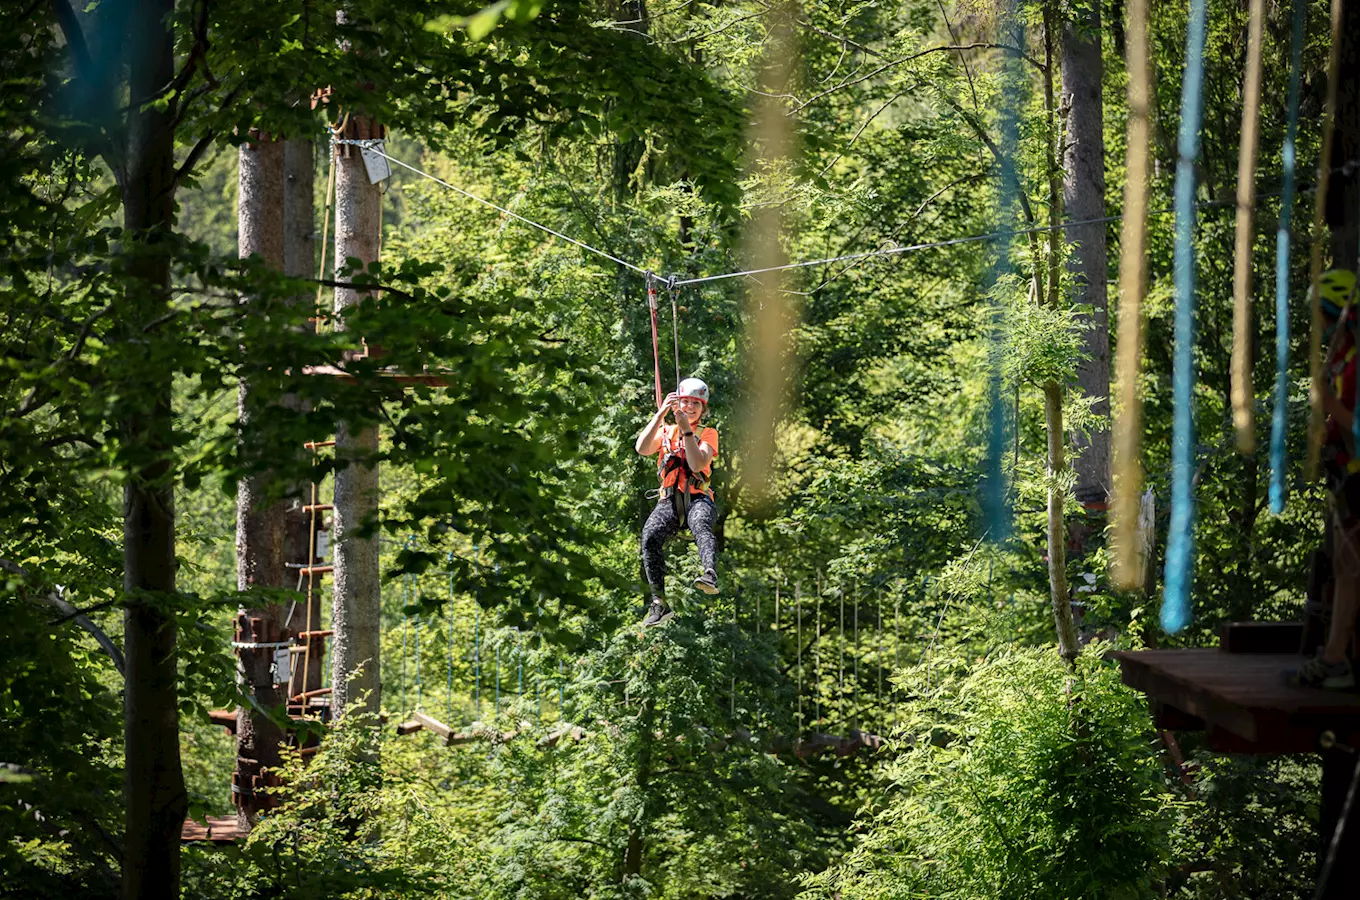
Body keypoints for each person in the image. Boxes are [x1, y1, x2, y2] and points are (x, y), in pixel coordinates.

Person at [1291, 269, 1360, 689]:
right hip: (1346, 474)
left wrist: (1333, 403)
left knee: (1351, 569)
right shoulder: (1345, 357)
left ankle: (1337, 659)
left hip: (1357, 475)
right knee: (1347, 568)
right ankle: (1337, 656)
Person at [634, 377, 720, 627]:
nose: (691, 407)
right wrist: (661, 414)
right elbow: (642, 448)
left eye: (696, 403)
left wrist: (687, 431)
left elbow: (696, 464)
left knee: (701, 524)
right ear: (677, 403)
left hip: (697, 497)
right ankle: (659, 603)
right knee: (649, 537)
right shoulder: (665, 431)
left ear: (703, 408)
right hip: (669, 500)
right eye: (686, 402)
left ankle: (709, 574)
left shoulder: (708, 434)